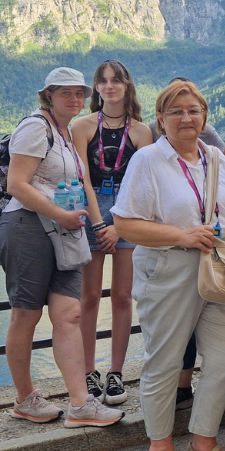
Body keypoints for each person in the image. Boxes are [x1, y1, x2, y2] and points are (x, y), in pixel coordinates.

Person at [113, 80, 225, 451]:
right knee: (166, 361)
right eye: (176, 111)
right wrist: (182, 235)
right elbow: (124, 223)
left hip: (219, 269)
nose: (186, 118)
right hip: (170, 269)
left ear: (204, 116)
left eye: (193, 110)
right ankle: (160, 448)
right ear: (161, 119)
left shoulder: (216, 158)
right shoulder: (148, 160)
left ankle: (203, 444)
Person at [0, 68, 125, 429]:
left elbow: (76, 185)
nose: (74, 99)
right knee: (26, 314)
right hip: (28, 227)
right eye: (65, 92)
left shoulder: (66, 132)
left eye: (79, 93)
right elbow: (17, 184)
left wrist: (87, 223)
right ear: (48, 95)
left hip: (64, 232)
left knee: (69, 314)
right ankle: (25, 399)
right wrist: (62, 215)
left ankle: (81, 405)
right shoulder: (35, 126)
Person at [72, 60, 154, 406]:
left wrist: (119, 226)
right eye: (103, 81)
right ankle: (88, 371)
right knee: (89, 296)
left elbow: (142, 186)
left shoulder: (142, 132)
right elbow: (82, 179)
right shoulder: (82, 126)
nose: (109, 86)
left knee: (122, 296)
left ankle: (116, 373)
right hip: (92, 208)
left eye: (116, 80)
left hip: (128, 210)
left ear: (126, 85)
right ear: (96, 88)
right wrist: (98, 224)